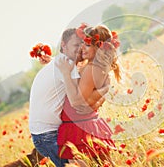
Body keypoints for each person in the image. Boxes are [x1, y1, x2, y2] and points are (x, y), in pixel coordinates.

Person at [29, 27, 108, 167]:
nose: (80, 49)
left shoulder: (60, 61)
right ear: (63, 46)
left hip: (43, 134)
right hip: (48, 136)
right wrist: (105, 90)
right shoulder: (68, 66)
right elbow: (79, 101)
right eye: (76, 45)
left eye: (82, 44)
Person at [56, 24, 121, 166]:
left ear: (98, 47)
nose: (82, 48)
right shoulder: (95, 66)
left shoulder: (92, 68)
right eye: (82, 44)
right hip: (84, 124)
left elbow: (77, 102)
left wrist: (66, 74)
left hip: (78, 128)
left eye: (87, 45)